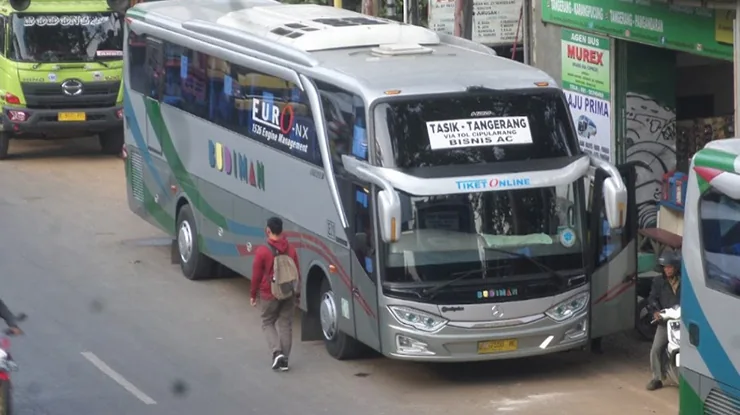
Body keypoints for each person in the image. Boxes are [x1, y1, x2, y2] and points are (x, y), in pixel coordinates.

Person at [250, 217, 300, 371]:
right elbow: (297, 273)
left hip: (269, 293)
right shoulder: (291, 250)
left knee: (267, 321)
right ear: (282, 231)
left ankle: (277, 352)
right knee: (285, 324)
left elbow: (256, 275)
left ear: (268, 230)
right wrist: (297, 294)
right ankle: (284, 360)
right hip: (288, 293)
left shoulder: (263, 251)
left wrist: (253, 294)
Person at [645, 249, 681, 391]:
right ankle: (657, 378)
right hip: (665, 323)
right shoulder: (658, 281)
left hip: (682, 322)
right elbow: (652, 298)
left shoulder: (685, 281)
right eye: (665, 267)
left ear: (676, 267)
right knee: (655, 349)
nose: (667, 270)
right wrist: (656, 312)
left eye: (670, 267)